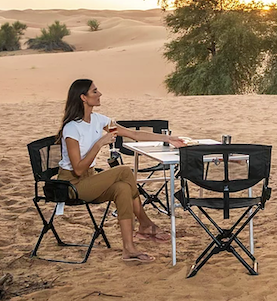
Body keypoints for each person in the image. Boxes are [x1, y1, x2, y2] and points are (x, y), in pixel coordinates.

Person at [56, 79, 186, 262]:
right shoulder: (72, 129)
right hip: (71, 185)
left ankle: (129, 249)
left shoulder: (98, 120)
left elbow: (134, 135)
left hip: (90, 180)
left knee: (123, 189)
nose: (99, 94)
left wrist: (169, 138)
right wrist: (99, 143)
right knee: (124, 171)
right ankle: (145, 223)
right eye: (95, 91)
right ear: (83, 97)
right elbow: (77, 169)